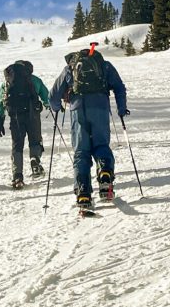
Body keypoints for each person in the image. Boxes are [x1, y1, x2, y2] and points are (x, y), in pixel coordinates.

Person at [49, 42, 128, 209]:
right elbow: (119, 87)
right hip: (100, 108)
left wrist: (57, 108)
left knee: (81, 152)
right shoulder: (105, 65)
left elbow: (53, 95)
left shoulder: (70, 68)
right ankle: (105, 171)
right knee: (101, 145)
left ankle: (83, 192)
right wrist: (121, 109)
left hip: (78, 110)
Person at [0, 60, 50, 188]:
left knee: (17, 145)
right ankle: (35, 160)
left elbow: (1, 102)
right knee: (35, 140)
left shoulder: (7, 82)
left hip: (15, 117)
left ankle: (17, 176)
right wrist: (49, 105)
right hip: (33, 115)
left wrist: (0, 120)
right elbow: (46, 96)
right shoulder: (34, 80)